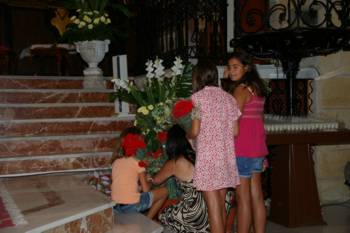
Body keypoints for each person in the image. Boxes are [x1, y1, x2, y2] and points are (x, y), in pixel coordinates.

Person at [187, 61, 241, 233]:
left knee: (213, 209)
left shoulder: (196, 99)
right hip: (225, 158)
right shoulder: (229, 99)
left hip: (208, 160)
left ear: (197, 78)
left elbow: (195, 130)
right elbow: (235, 131)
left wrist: (186, 135)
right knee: (220, 205)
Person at [224, 51, 268, 233]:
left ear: (246, 67)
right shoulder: (256, 89)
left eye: (235, 67)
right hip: (257, 149)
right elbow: (260, 121)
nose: (231, 71)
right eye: (229, 67)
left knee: (243, 201)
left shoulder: (240, 89)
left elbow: (231, 118)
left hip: (242, 149)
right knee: (257, 197)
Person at [153, 124, 210, 232]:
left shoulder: (175, 162)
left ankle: (146, 223)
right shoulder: (196, 155)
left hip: (194, 214)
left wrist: (148, 178)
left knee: (163, 214)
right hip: (211, 210)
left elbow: (156, 180)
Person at [111, 127, 168, 219]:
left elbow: (122, 184)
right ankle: (148, 220)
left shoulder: (116, 162)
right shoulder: (138, 163)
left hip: (116, 206)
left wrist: (139, 186)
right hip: (132, 206)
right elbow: (146, 190)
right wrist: (149, 180)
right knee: (165, 191)